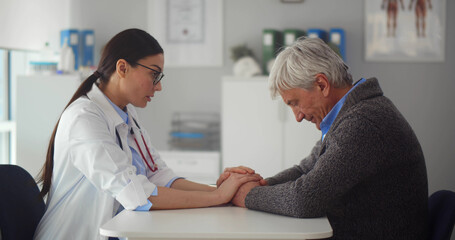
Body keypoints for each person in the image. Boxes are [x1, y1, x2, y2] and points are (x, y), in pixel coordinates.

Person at [33, 29, 262, 240]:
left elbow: (158, 175)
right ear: (122, 68)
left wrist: (224, 192)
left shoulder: (126, 112)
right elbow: (135, 194)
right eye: (154, 74)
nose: (158, 86)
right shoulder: (84, 118)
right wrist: (218, 197)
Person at [219, 37, 429, 239]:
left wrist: (247, 195)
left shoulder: (364, 122)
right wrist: (256, 184)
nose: (298, 116)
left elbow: (304, 199)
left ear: (321, 84)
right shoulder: (352, 113)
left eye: (295, 103)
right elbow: (305, 170)